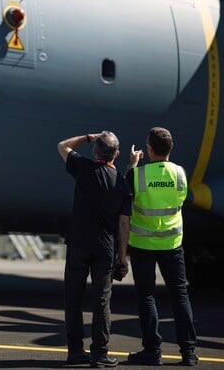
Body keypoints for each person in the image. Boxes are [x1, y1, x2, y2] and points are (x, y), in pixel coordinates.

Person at [117, 127, 199, 366]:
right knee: (180, 295)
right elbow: (180, 200)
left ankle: (152, 350)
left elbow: (124, 194)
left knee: (147, 296)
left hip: (142, 243)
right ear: (170, 148)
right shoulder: (180, 173)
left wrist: (132, 164)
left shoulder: (137, 175)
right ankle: (188, 352)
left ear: (149, 149)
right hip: (172, 243)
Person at [58, 131, 132, 368]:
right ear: (116, 154)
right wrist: (122, 257)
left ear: (94, 151)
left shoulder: (83, 168)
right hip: (105, 248)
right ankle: (99, 354)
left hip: (78, 244)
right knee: (101, 303)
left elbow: (63, 145)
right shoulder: (122, 183)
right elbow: (124, 224)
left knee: (73, 299)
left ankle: (75, 352)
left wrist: (90, 136)